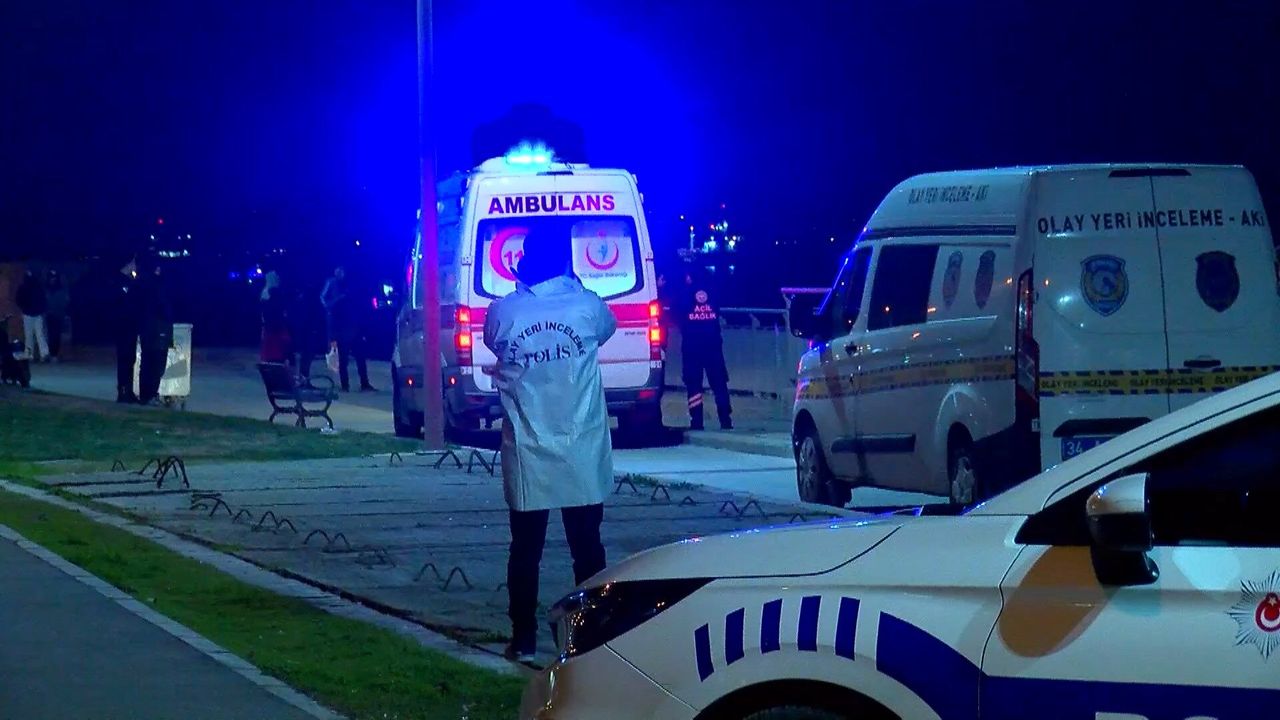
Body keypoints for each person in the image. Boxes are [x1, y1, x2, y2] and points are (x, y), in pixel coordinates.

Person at [483, 223, 617, 662]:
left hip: (529, 448)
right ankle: (591, 634)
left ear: (524, 260)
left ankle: (523, 637)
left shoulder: (505, 312)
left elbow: (493, 341)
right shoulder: (587, 306)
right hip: (580, 445)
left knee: (525, 549)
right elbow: (607, 328)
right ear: (566, 261)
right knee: (587, 547)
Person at [676, 265, 733, 430]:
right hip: (713, 345)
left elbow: (676, 313)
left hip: (692, 346)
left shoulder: (685, 294)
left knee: (693, 384)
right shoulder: (713, 293)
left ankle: (697, 420)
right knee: (719, 383)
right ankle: (725, 419)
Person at [320, 266, 374, 392]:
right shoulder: (334, 288)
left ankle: (360, 383)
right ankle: (348, 384)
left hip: (350, 329)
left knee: (356, 358)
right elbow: (324, 299)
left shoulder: (348, 290)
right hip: (344, 330)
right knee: (346, 359)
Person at [135, 253, 173, 405]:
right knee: (156, 361)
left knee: (148, 359)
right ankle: (150, 394)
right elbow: (163, 305)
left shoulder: (142, 282)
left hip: (147, 325)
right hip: (158, 325)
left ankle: (146, 395)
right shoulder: (157, 284)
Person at [114, 257, 140, 403]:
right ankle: (123, 390)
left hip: (129, 326)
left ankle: (127, 390)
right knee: (125, 359)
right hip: (123, 326)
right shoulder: (120, 281)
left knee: (129, 359)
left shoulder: (129, 281)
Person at [15, 269, 49, 363]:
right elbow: (43, 299)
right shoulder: (38, 286)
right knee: (38, 334)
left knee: (31, 335)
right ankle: (42, 354)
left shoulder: (24, 287)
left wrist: (24, 307)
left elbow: (18, 299)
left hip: (30, 313)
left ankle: (32, 354)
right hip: (35, 313)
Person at [259, 271, 291, 364]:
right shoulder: (266, 292)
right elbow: (265, 310)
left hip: (276, 324)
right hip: (272, 324)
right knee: (271, 343)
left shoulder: (275, 292)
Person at [44, 269, 70, 362]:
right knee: (50, 335)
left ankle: (54, 354)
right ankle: (50, 353)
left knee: (56, 335)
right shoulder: (46, 289)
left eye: (54, 278)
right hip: (49, 315)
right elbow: (43, 302)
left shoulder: (61, 290)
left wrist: (63, 313)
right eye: (51, 278)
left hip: (58, 315)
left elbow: (65, 302)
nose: (52, 280)